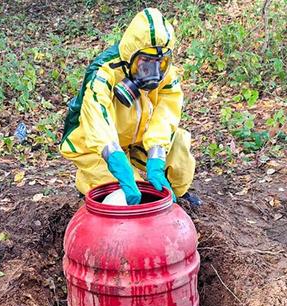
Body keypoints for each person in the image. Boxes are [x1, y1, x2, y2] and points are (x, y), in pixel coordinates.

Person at [59, 8, 200, 206]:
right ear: (131, 54)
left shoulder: (166, 73)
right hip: (96, 143)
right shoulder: (104, 71)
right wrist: (116, 158)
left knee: (179, 144)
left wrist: (157, 155)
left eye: (159, 62)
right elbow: (97, 119)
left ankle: (175, 197)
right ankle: (91, 183)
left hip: (138, 137)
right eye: (146, 62)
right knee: (126, 192)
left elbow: (166, 113)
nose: (153, 72)